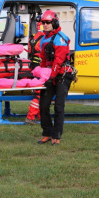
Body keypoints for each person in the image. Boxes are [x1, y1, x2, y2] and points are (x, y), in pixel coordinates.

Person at [37, 9, 75, 145]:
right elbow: (42, 59)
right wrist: (42, 75)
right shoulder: (43, 39)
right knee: (43, 106)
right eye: (43, 22)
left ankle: (56, 135)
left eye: (47, 22)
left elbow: (58, 61)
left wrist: (50, 77)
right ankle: (46, 132)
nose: (45, 25)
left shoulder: (61, 38)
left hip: (62, 75)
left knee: (59, 106)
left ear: (54, 22)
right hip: (50, 75)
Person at [25, 24, 44, 125]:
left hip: (34, 67)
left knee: (41, 93)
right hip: (41, 68)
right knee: (39, 94)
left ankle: (41, 117)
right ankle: (30, 117)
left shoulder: (33, 38)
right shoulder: (44, 38)